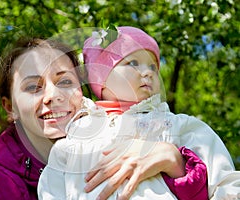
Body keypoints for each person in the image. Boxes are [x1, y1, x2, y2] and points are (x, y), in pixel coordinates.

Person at [38, 26, 240, 200]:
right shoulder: (75, 140)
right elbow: (52, 190)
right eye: (133, 63)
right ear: (102, 77)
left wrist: (180, 165)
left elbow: (226, 182)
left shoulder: (176, 126)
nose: (148, 72)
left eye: (153, 66)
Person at [0, 38, 86, 199]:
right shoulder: (2, 191)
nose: (53, 95)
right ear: (10, 108)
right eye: (33, 87)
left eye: (65, 82)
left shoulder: (116, 135)